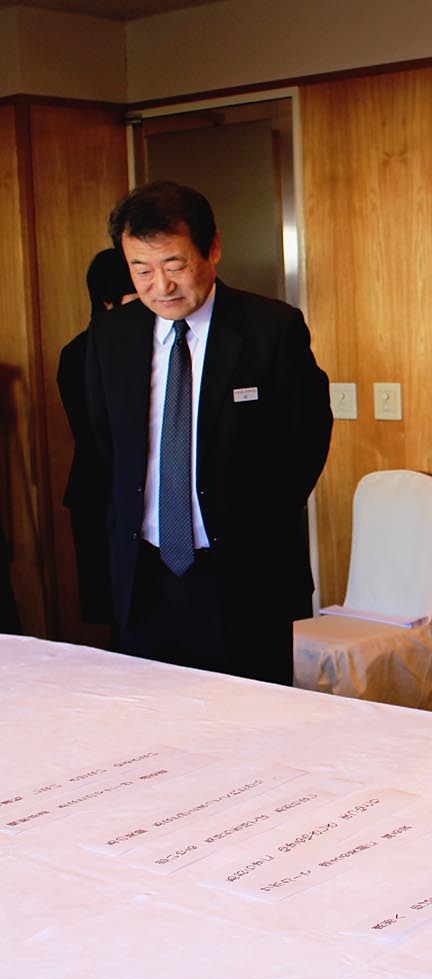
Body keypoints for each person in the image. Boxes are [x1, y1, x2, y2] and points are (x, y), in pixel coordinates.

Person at [85, 181, 332, 685]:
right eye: (141, 270)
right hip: (145, 577)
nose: (161, 286)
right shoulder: (111, 337)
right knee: (149, 718)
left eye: (174, 265)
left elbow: (306, 439)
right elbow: (104, 448)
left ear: (212, 247)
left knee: (251, 721)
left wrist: (256, 522)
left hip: (243, 578)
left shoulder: (270, 329)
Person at [58, 247, 137, 628]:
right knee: (116, 611)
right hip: (102, 492)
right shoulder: (80, 353)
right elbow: (96, 433)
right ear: (108, 302)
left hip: (125, 493)